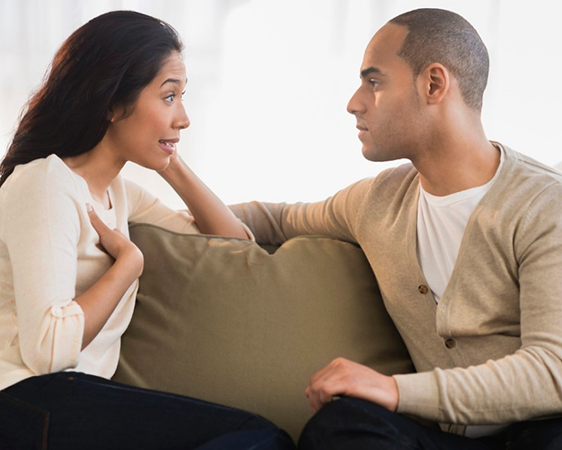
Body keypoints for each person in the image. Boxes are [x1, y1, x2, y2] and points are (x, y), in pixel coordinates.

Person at [230, 8, 562, 450]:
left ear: (434, 84)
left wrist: (396, 390)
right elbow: (272, 219)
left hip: (541, 432)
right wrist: (143, 199)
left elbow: (552, 372)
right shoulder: (376, 201)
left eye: (374, 82)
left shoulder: (544, 205)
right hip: (443, 439)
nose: (354, 102)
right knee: (342, 425)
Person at [0, 10, 295, 450]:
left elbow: (231, 246)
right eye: (169, 97)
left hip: (61, 404)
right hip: (9, 405)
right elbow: (48, 351)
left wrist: (170, 161)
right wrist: (128, 265)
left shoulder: (120, 193)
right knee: (257, 437)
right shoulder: (45, 184)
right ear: (113, 103)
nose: (185, 118)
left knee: (259, 437)